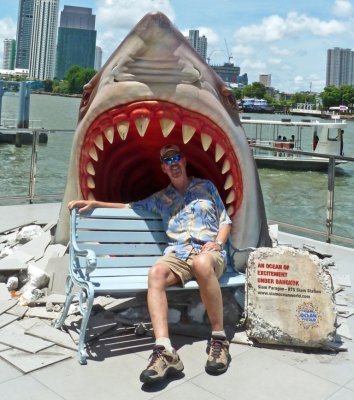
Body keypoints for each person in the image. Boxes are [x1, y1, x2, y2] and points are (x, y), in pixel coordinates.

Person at [68, 144, 232, 383]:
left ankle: (219, 339)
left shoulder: (206, 187)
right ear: (164, 169)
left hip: (208, 252)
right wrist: (95, 204)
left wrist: (218, 242)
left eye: (176, 158)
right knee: (156, 273)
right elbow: (128, 207)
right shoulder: (161, 198)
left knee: (202, 263)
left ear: (184, 161)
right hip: (178, 254)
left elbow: (225, 221)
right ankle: (164, 350)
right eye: (167, 162)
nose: (173, 164)